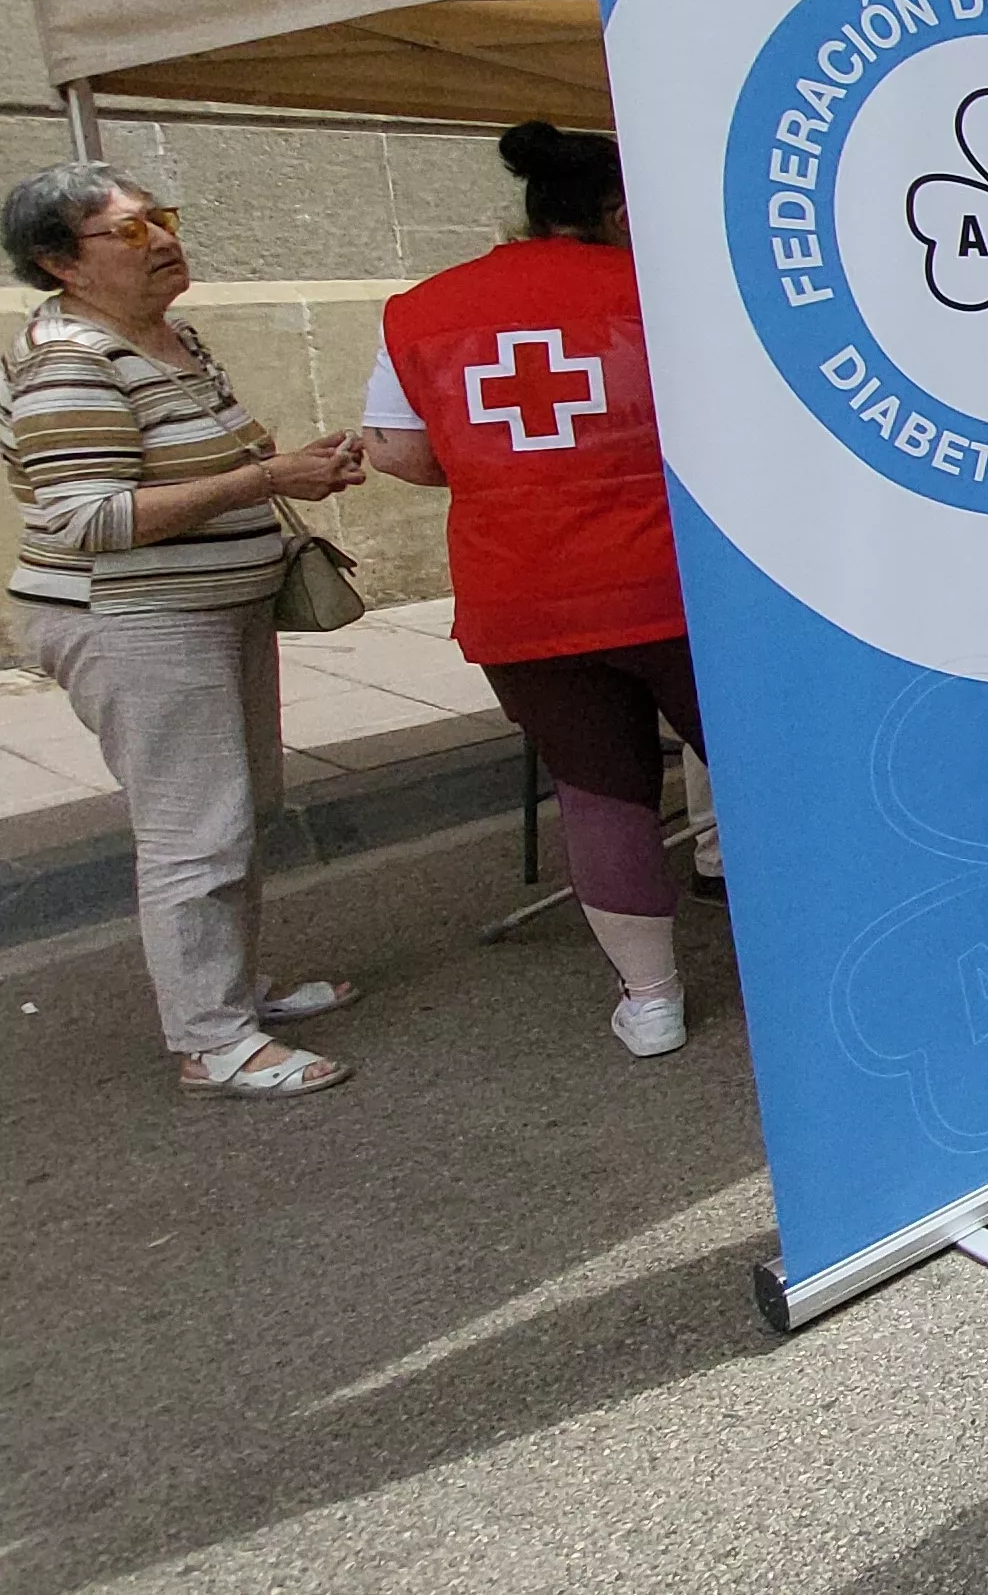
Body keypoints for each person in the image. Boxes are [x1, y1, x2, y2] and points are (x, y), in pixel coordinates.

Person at [1, 163, 367, 1097]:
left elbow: (217, 453)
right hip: (137, 623)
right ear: (58, 264)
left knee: (246, 807)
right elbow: (89, 516)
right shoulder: (69, 361)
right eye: (126, 232)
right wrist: (266, 481)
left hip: (210, 608)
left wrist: (289, 467)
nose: (162, 240)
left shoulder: (171, 338)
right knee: (193, 830)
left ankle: (232, 993)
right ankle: (211, 1039)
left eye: (161, 219)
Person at [361, 123, 707, 1057]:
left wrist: (501, 467)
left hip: (521, 593)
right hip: (675, 587)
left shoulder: (421, 309)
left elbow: (398, 450)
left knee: (601, 791)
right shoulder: (666, 289)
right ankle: (806, 952)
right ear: (616, 210)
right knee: (755, 774)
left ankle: (652, 998)